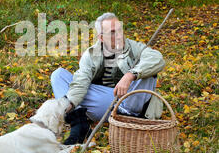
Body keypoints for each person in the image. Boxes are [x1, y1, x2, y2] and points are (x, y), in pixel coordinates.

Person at [50, 12, 165, 145]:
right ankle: (79, 123)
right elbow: (81, 81)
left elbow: (157, 59)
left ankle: (127, 117)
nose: (119, 35)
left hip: (130, 102)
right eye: (112, 32)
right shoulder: (91, 54)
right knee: (58, 75)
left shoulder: (134, 48)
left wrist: (130, 75)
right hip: (106, 102)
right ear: (101, 38)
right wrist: (69, 104)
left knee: (149, 67)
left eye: (120, 29)